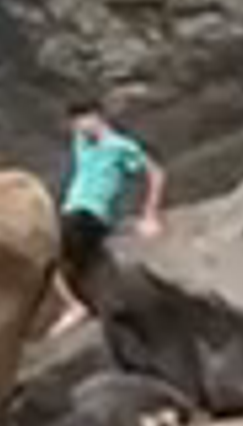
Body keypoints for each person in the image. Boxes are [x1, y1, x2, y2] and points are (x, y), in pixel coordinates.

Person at [52, 109, 161, 310]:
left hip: (88, 212)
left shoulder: (120, 146)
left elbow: (155, 172)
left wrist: (150, 215)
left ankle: (78, 306)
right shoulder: (83, 144)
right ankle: (94, 303)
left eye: (82, 121)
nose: (78, 128)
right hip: (75, 212)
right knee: (73, 259)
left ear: (97, 118)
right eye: (75, 124)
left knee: (56, 252)